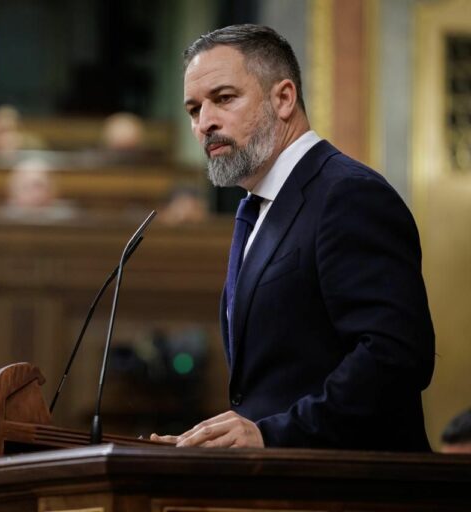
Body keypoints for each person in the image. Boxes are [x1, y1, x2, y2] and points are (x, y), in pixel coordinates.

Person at [151, 24, 434, 451]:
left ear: (283, 98)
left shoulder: (348, 194)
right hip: (283, 477)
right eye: (194, 109)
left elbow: (395, 356)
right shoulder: (257, 208)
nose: (205, 122)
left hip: (354, 479)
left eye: (224, 98)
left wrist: (273, 434)